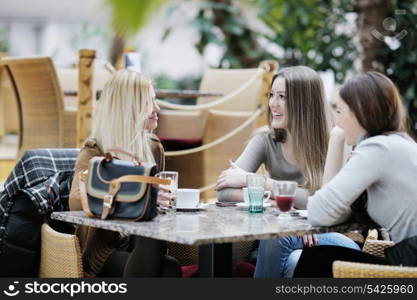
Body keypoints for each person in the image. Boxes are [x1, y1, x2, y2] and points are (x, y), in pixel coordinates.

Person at [215, 66, 360, 278]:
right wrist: (283, 210)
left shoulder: (336, 142)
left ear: (304, 103)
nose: (273, 103)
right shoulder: (265, 141)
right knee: (293, 260)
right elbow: (224, 191)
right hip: (282, 239)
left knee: (279, 236)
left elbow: (325, 206)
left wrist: (262, 183)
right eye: (271, 95)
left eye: (282, 97)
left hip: (335, 237)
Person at [294, 72, 417, 277]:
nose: (337, 121)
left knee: (314, 259)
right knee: (318, 256)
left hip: (410, 267)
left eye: (340, 111)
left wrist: (335, 140)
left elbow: (318, 212)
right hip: (408, 259)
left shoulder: (377, 148)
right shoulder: (402, 143)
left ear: (359, 112)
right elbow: (337, 211)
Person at [69, 70, 181, 277]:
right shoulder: (95, 151)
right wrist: (138, 196)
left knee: (170, 266)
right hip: (103, 248)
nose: (157, 109)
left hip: (140, 243)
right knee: (164, 264)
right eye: (149, 103)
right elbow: (76, 200)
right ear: (128, 107)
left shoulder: (154, 148)